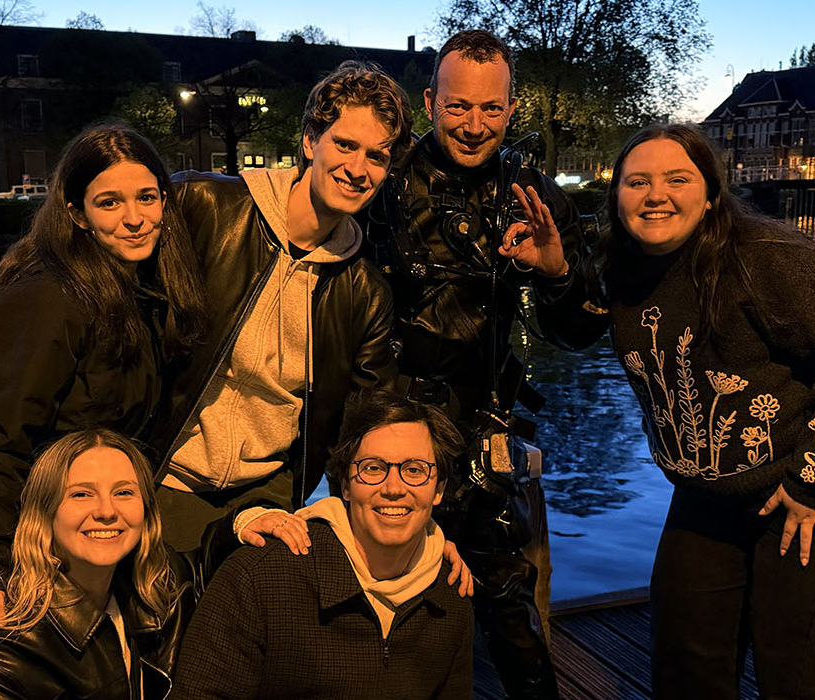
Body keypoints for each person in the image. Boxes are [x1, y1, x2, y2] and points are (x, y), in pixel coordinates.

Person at [0, 123, 209, 695]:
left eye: (147, 197)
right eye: (110, 202)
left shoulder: (141, 290)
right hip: (27, 536)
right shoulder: (46, 296)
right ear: (76, 213)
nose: (134, 218)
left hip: (83, 529)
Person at [598, 123, 815, 699]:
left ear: (710, 193)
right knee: (685, 656)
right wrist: (557, 271)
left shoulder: (767, 257)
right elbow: (574, 322)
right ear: (617, 197)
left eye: (676, 179)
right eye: (637, 181)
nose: (655, 194)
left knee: (807, 669)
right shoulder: (622, 268)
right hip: (710, 492)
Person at [358, 29, 607, 699]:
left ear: (513, 107)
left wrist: (556, 271)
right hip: (386, 427)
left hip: (487, 430)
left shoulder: (530, 192)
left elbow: (583, 331)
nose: (473, 125)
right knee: (380, 605)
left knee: (510, 606)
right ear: (430, 101)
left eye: (491, 109)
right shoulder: (380, 181)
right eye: (458, 106)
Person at [147, 60, 410, 557]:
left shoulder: (364, 291)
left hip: (265, 494)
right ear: (311, 141)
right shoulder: (204, 205)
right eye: (345, 145)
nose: (357, 169)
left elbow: (366, 425)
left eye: (377, 156)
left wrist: (411, 537)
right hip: (162, 475)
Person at [171, 390, 474, 700]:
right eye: (373, 468)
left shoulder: (452, 596)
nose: (394, 488)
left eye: (414, 470)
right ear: (345, 484)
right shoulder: (262, 577)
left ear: (438, 490)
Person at [0, 428, 189, 700]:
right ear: (44, 514)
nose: (106, 511)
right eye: (81, 494)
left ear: (146, 509)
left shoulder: (155, 585)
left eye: (124, 492)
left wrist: (237, 523)